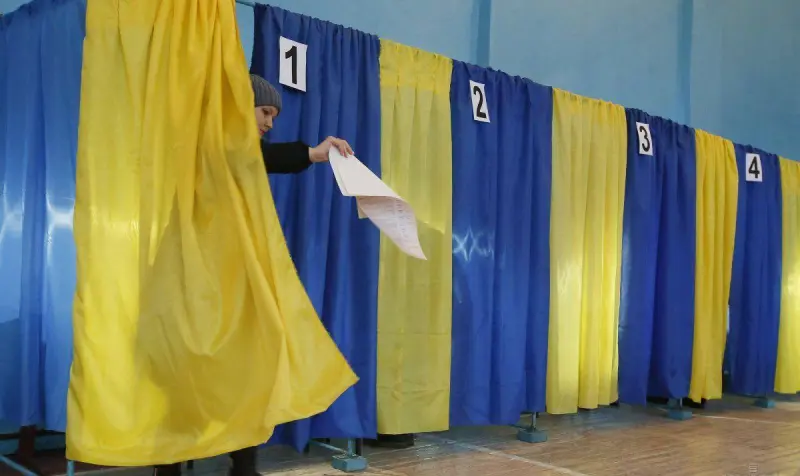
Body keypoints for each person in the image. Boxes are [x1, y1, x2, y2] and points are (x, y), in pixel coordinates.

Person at [152, 75, 353, 476]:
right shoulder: (212, 142)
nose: (269, 122)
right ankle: (170, 466)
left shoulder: (241, 155)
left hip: (230, 275)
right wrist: (312, 153)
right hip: (192, 275)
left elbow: (256, 156)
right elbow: (251, 154)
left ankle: (242, 465)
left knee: (248, 365)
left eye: (274, 115)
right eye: (264, 111)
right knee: (184, 369)